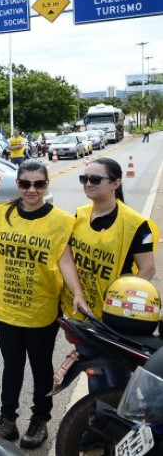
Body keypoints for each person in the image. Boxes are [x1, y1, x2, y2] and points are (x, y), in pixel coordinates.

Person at [0, 159, 88, 448]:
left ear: (46, 185)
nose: (31, 190)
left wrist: (77, 293)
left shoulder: (61, 221)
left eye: (38, 184)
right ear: (17, 184)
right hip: (5, 307)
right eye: (25, 184)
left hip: (41, 309)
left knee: (41, 367)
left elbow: (65, 260)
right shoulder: (2, 213)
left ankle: (40, 420)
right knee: (12, 365)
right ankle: (7, 420)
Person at [61, 157, 158, 393]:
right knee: (94, 374)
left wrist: (120, 306)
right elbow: (68, 259)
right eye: (84, 178)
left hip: (115, 320)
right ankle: (95, 422)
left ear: (115, 183)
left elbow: (147, 269)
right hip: (85, 312)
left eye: (95, 179)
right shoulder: (79, 216)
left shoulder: (135, 223)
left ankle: (119, 427)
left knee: (118, 380)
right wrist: (78, 293)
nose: (88, 183)